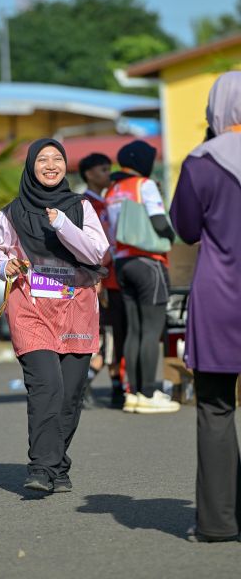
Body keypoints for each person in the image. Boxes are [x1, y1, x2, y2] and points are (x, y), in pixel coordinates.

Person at [0, 138, 109, 493]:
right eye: (42, 159)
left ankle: (57, 465)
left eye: (57, 159)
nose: (51, 165)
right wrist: (5, 264)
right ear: (31, 167)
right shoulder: (12, 212)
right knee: (46, 386)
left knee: (69, 395)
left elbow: (95, 253)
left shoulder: (80, 207)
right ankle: (41, 467)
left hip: (76, 307)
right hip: (31, 308)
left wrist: (63, 225)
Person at [170, 71, 241, 542]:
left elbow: (186, 228)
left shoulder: (201, 162)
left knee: (216, 409)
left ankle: (218, 524)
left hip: (220, 299)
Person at [105, 140, 179, 413]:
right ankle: (149, 392)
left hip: (122, 263)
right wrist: (172, 235)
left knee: (134, 330)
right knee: (151, 329)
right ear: (142, 162)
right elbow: (159, 221)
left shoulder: (112, 190)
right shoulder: (144, 185)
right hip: (148, 262)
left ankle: (134, 393)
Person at [78, 153, 127, 408]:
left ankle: (118, 387)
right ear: (89, 174)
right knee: (108, 336)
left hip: (113, 277)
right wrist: (97, 271)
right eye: (103, 169)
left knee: (116, 334)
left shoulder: (106, 201)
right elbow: (94, 248)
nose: (108, 174)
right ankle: (83, 382)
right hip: (102, 280)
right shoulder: (85, 206)